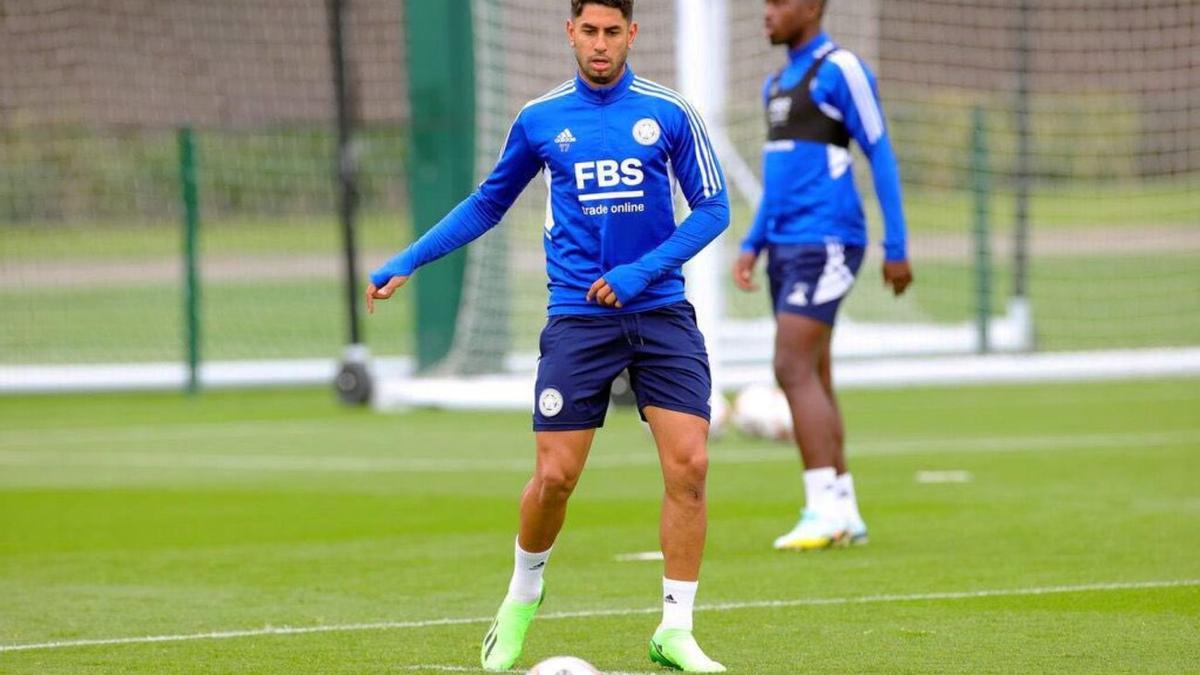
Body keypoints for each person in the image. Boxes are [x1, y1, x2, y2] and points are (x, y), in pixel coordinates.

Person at [368, 1, 729, 670]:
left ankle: (674, 629)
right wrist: (408, 259)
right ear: (570, 32)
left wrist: (641, 270)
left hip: (659, 311)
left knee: (692, 464)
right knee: (556, 476)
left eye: (612, 32)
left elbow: (714, 208)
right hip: (578, 318)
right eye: (588, 31)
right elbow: (486, 202)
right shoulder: (540, 119)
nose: (599, 45)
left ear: (632, 34)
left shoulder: (671, 114)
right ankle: (522, 594)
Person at [733, 0, 914, 551]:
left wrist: (897, 243)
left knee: (790, 365)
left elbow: (880, 151)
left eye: (779, 3)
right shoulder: (776, 84)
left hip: (829, 240)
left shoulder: (842, 69)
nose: (766, 13)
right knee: (816, 372)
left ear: (812, 7)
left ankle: (821, 509)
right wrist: (752, 242)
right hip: (785, 244)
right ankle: (844, 509)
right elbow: (779, 177)